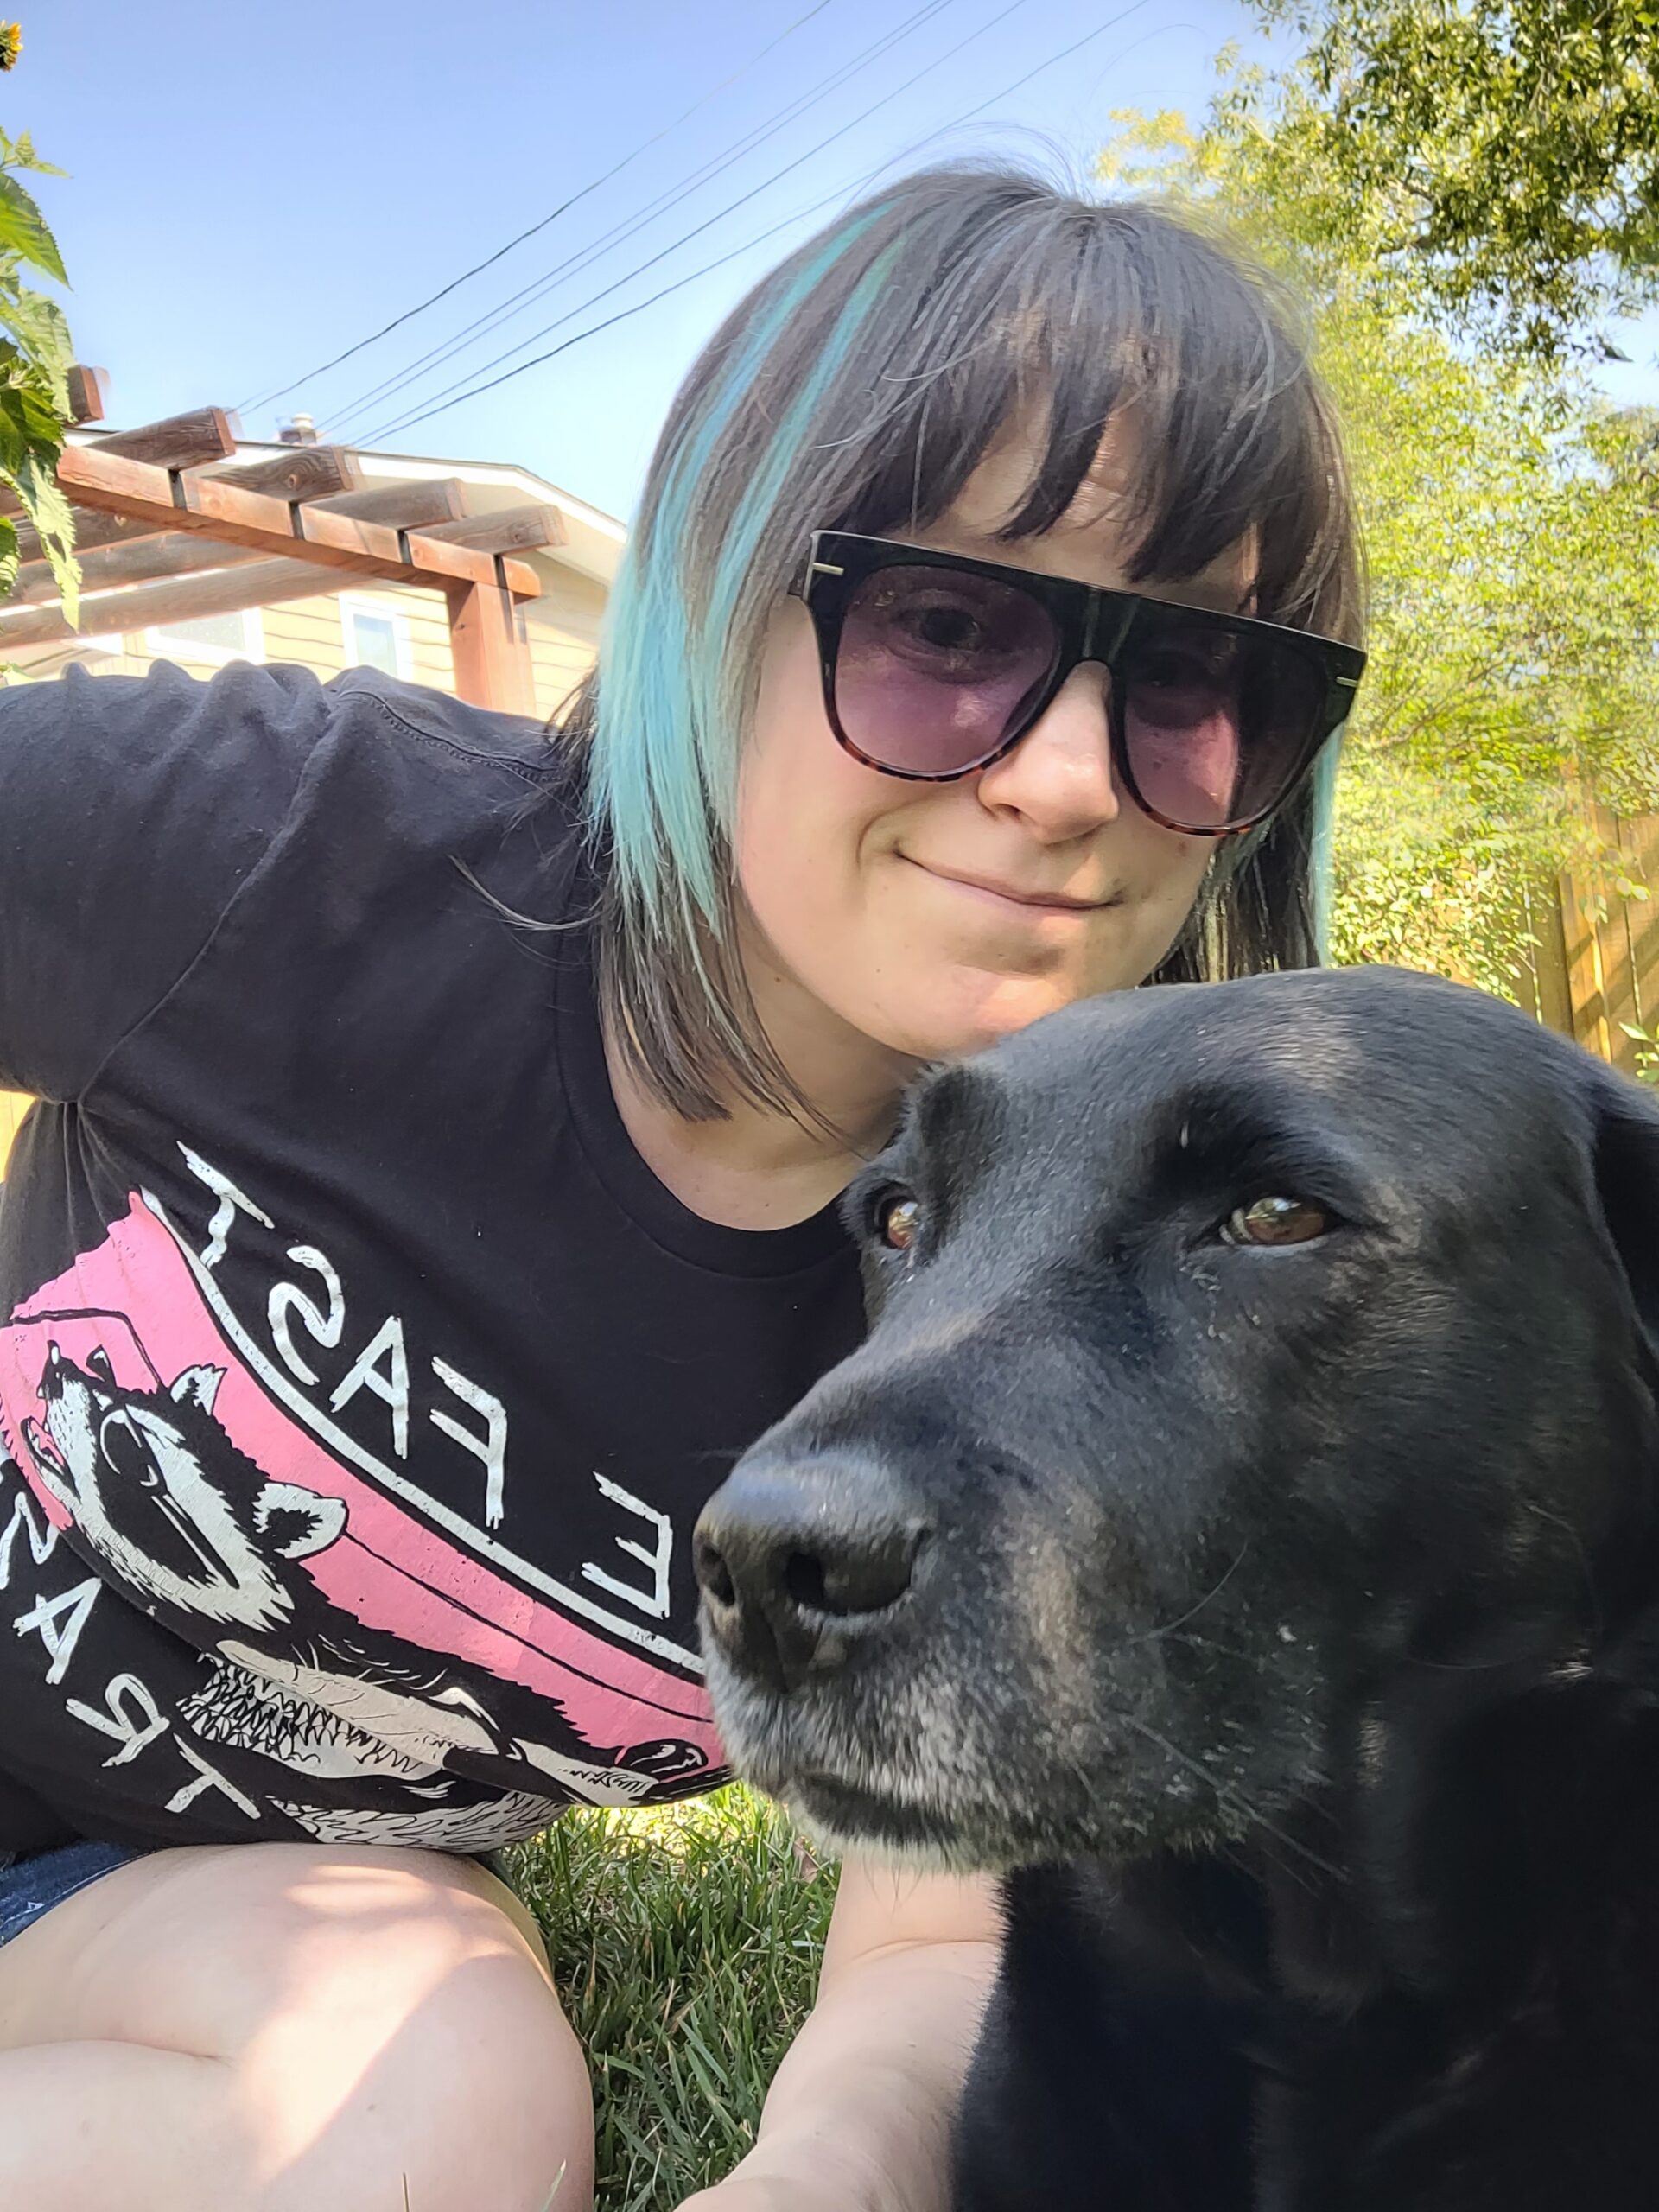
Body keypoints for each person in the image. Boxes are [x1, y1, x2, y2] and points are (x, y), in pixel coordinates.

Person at [0, 164, 1362, 2210]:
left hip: (153, 1910)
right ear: (722, 596)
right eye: (950, 625)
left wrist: (825, 2177)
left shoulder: (1104, 1312)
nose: (1074, 779)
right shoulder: (304, 852)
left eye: (1193, 684)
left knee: (441, 2096)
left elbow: (935, 1932)